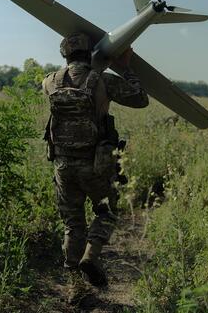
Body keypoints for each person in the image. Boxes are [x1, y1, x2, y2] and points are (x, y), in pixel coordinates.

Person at [42, 33, 148, 293]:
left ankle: (74, 286)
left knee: (72, 224)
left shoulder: (49, 81)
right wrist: (125, 67)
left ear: (64, 54)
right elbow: (141, 99)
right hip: (97, 166)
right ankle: (90, 257)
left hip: (63, 167)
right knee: (107, 212)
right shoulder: (103, 80)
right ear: (91, 53)